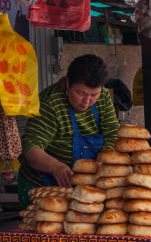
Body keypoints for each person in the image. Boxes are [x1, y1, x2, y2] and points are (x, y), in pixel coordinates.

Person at [18, 55, 120, 206]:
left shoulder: (103, 97)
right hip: (43, 188)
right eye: (81, 93)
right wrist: (55, 166)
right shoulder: (50, 103)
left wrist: (104, 161)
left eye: (93, 95)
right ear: (67, 83)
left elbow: (113, 132)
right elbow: (30, 148)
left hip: (85, 188)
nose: (87, 101)